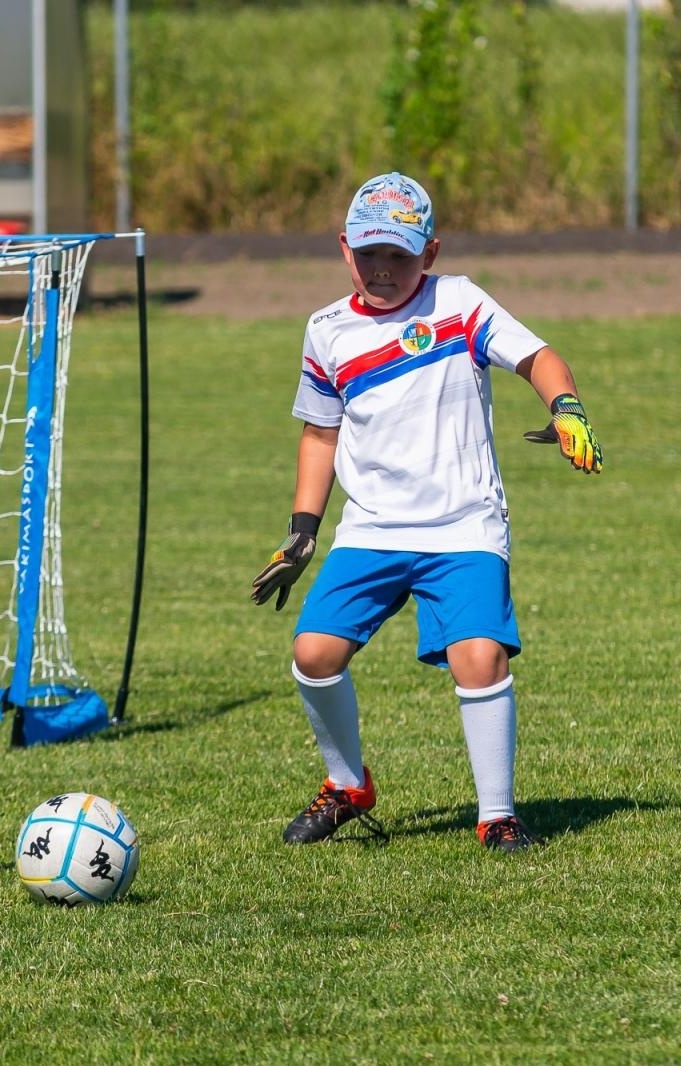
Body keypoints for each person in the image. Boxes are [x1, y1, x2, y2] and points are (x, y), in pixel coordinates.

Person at [250, 172, 603, 852]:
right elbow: (321, 434)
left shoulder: (459, 304)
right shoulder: (327, 331)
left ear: (430, 254)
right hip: (374, 528)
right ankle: (347, 785)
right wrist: (302, 532)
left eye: (401, 255)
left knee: (479, 658)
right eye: (370, 252)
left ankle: (497, 815)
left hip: (463, 523)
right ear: (345, 249)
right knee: (313, 653)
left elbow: (538, 356)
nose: (384, 268)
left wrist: (566, 409)